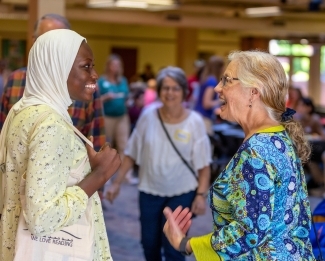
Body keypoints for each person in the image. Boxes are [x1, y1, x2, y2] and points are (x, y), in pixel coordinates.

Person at [163, 50, 315, 260]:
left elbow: (249, 232)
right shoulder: (278, 137)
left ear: (253, 92)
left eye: (226, 80)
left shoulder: (256, 151)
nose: (217, 88)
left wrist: (186, 244)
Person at [0, 29, 121, 260]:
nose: (95, 75)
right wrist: (100, 175)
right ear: (56, 67)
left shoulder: (23, 110)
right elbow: (42, 219)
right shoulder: (50, 124)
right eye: (86, 67)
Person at [106, 66, 211, 261]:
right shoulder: (148, 116)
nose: (170, 93)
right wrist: (117, 182)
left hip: (182, 192)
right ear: (160, 91)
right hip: (149, 192)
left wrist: (201, 196)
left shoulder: (194, 122)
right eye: (166, 88)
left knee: (174, 248)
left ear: (184, 92)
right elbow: (131, 153)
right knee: (149, 245)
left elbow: (204, 166)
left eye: (175, 88)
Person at [0, 13, 106, 152]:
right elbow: (3, 133)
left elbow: (96, 141)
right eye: (45, 41)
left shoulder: (86, 85)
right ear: (34, 42)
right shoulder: (16, 80)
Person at [98, 54, 130, 160]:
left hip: (122, 116)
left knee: (123, 144)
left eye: (118, 65)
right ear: (108, 66)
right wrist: (106, 97)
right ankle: (106, 173)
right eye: (113, 65)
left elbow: (126, 96)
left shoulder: (123, 81)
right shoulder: (102, 81)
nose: (115, 67)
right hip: (107, 117)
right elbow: (96, 100)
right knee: (107, 145)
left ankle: (124, 174)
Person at [194, 55, 224, 135]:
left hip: (199, 115)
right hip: (204, 118)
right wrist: (222, 100)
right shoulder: (212, 81)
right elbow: (206, 103)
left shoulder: (206, 78)